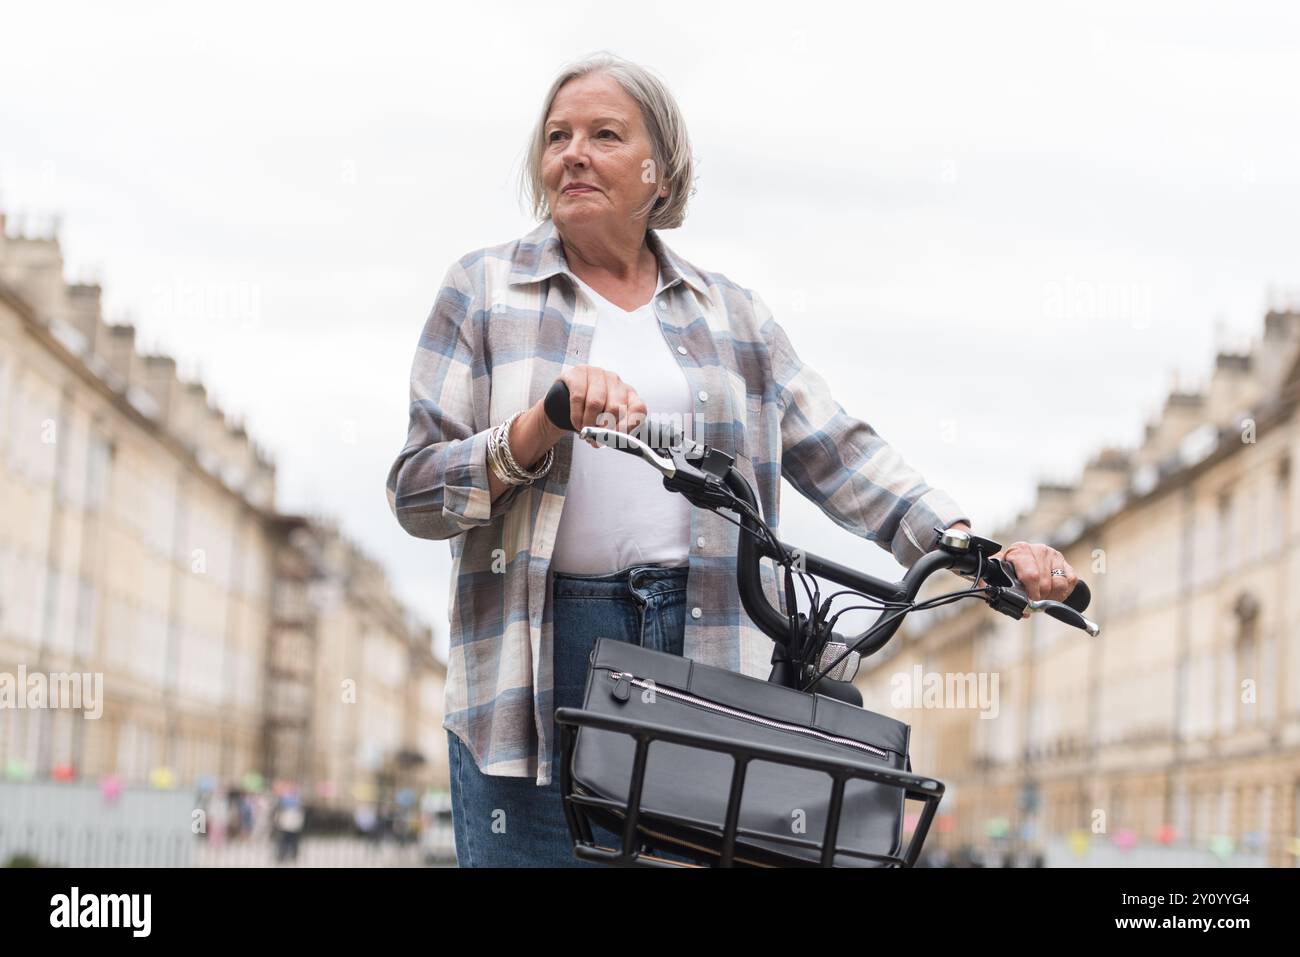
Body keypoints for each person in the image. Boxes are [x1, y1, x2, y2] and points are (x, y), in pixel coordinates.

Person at [386, 51, 1080, 868]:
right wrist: (539, 425)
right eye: (556, 136)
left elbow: (837, 448)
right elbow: (417, 492)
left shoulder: (732, 317)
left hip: (708, 646)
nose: (571, 153)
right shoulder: (482, 290)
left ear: (660, 171)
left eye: (604, 134)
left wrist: (967, 542)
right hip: (538, 660)